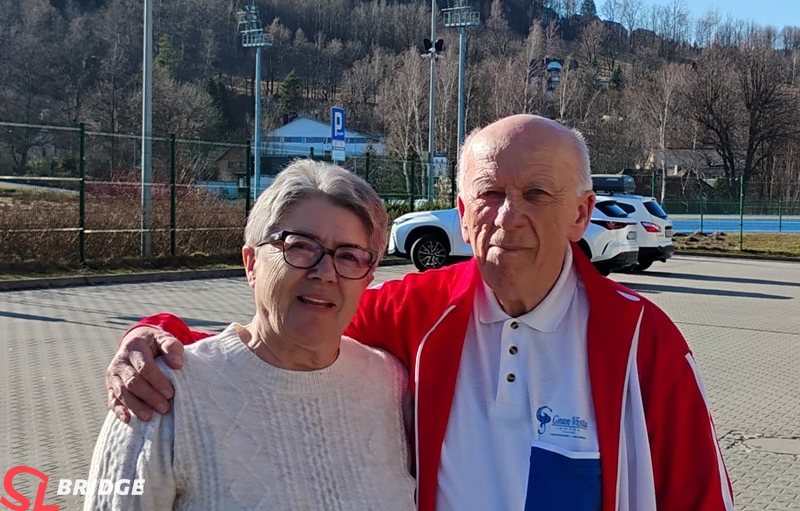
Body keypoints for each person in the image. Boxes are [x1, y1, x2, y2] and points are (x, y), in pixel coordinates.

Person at [107, 115, 734, 510]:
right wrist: (157, 336)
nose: (508, 215)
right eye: (489, 193)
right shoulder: (421, 311)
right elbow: (291, 331)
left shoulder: (641, 341)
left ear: (580, 213)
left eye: (537, 193)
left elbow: (699, 495)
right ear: (461, 213)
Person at [87, 160, 416, 510]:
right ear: (251, 263)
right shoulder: (159, 395)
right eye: (300, 245)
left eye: (349, 256)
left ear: (368, 277)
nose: (325, 272)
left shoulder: (390, 385)